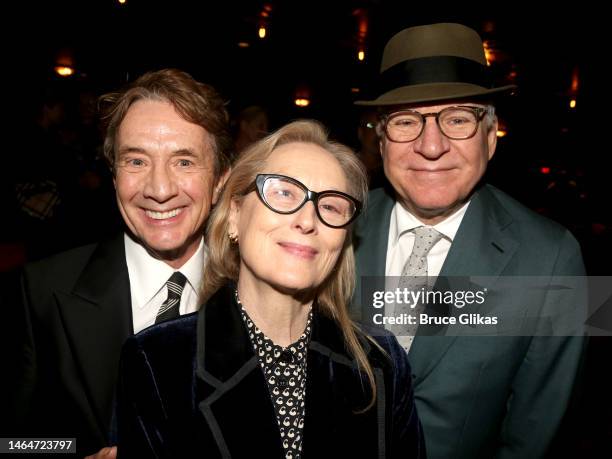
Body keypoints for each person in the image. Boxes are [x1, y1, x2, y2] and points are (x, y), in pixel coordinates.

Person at [115, 120, 425, 458]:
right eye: (283, 192)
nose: (307, 220)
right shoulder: (157, 361)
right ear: (234, 215)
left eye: (331, 205)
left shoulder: (382, 365)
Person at [352, 23, 587, 458]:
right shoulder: (334, 227)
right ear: (380, 138)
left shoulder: (552, 257)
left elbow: (537, 433)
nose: (431, 145)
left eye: (458, 118)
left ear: (490, 135)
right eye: (406, 121)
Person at [8, 68, 233, 457]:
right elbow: (14, 444)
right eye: (136, 162)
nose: (159, 190)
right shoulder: (43, 292)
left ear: (219, 181)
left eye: (183, 162)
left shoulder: (256, 294)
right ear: (113, 176)